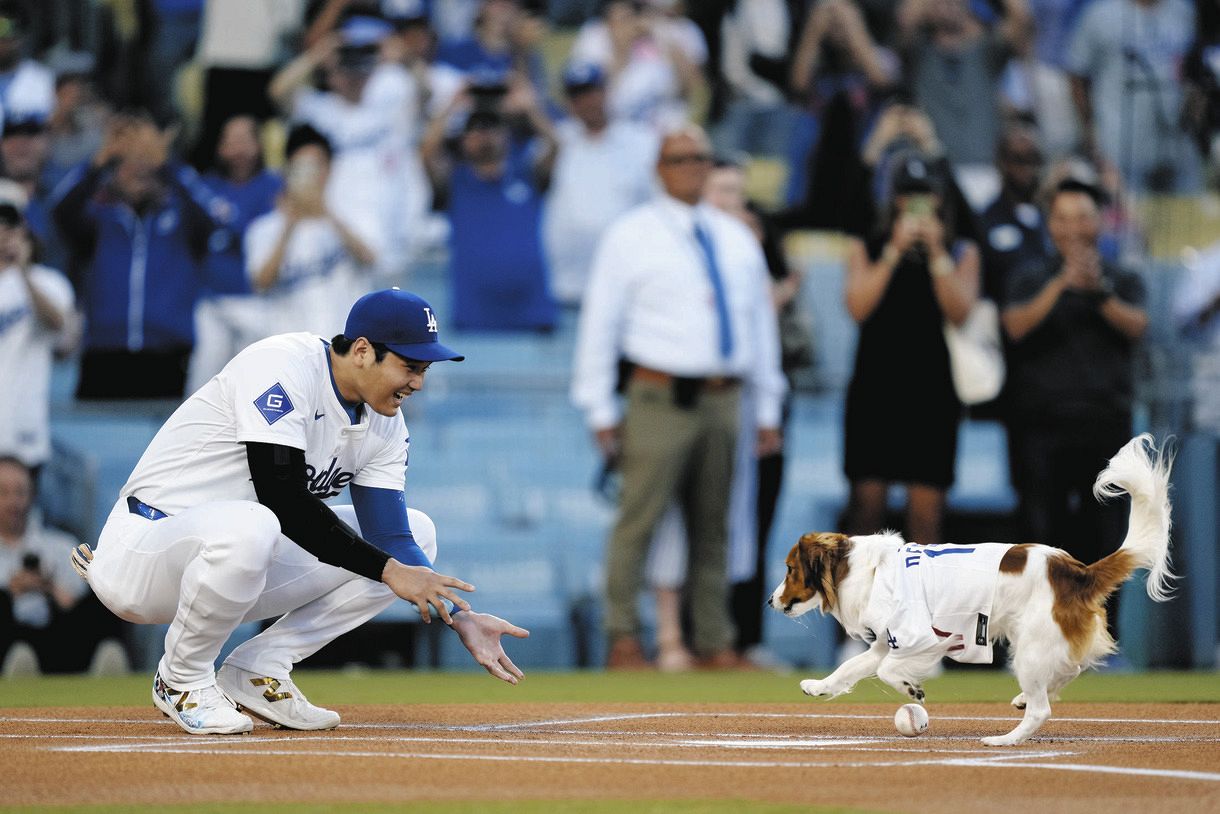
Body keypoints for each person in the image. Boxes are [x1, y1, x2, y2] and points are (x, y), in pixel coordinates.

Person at [74, 288, 529, 736]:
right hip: (145, 548)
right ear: (364, 351)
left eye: (425, 369)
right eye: (409, 366)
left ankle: (258, 668)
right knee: (259, 524)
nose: (418, 383)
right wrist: (390, 570)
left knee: (418, 533)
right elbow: (284, 498)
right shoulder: (282, 365)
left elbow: (390, 539)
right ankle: (182, 679)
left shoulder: (385, 424)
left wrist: (460, 616)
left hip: (234, 564)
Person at [571, 125, 786, 670]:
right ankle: (622, 634)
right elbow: (601, 324)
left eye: (701, 158)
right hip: (658, 392)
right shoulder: (630, 235)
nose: (693, 166)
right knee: (638, 518)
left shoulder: (735, 238)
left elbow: (759, 325)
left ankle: (714, 638)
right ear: (660, 168)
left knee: (715, 522)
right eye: (681, 158)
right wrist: (598, 406)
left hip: (723, 394)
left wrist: (767, 404)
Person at [1001, 179, 1148, 621]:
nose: (1074, 227)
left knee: (1107, 535)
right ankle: (1036, 631)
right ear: (1050, 225)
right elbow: (1015, 326)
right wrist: (1061, 283)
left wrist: (1097, 290)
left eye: (1083, 216)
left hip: (1105, 422)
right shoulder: (1029, 273)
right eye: (1063, 218)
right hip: (1040, 424)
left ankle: (1103, 638)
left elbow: (1138, 326)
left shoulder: (1121, 275)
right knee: (1040, 533)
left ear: (1099, 222)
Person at [841, 152, 980, 547]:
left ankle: (922, 608)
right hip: (875, 388)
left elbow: (960, 312)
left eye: (925, 195)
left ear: (941, 198)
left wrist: (936, 254)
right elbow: (857, 306)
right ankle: (856, 607)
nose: (916, 205)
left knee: (926, 518)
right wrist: (893, 250)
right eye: (907, 195)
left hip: (932, 393)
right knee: (865, 516)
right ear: (893, 199)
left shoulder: (960, 250)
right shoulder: (869, 243)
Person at [51, 113, 233, 400]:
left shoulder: (182, 219)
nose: (137, 168)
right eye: (127, 160)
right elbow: (59, 209)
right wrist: (99, 160)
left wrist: (168, 164)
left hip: (168, 356)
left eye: (145, 158)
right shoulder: (99, 219)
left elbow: (217, 217)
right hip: (103, 353)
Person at [421, 76, 558, 331]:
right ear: (463, 140)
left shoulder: (527, 175)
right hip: (474, 314)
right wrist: (452, 105)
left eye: (491, 127)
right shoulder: (455, 182)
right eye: (475, 129)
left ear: (505, 135)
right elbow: (427, 150)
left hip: (531, 312)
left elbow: (555, 144)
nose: (483, 135)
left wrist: (529, 107)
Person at [244, 124, 376, 338]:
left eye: (316, 167)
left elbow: (371, 258)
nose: (310, 176)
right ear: (287, 172)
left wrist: (328, 215)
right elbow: (261, 282)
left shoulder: (351, 214)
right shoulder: (265, 228)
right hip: (291, 349)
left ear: (330, 168)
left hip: (344, 345)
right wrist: (289, 226)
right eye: (301, 168)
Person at [544, 62, 657, 308]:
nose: (587, 101)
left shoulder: (642, 142)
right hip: (565, 285)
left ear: (606, 92)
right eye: (578, 95)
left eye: (592, 91)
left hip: (625, 288)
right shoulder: (558, 140)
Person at [186, 115, 283, 394]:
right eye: (231, 141)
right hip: (212, 300)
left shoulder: (274, 187)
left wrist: (224, 216)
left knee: (257, 387)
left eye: (245, 141)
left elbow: (252, 234)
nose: (237, 149)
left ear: (259, 145)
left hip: (258, 302)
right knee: (202, 386)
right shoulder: (207, 185)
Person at [0, 457, 121, 674]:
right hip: (7, 636)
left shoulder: (61, 545)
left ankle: (102, 659)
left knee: (101, 596)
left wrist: (49, 587)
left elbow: (78, 606)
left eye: (20, 492)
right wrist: (12, 591)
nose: (13, 502)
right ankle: (15, 664)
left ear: (32, 495)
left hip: (55, 640)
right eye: (3, 492)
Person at [1067, 0, 1200, 193]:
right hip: (1120, 142)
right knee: (1127, 219)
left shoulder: (1184, 11)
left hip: (1178, 144)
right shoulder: (1100, 13)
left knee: (1183, 215)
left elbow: (1195, 72)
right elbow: (1077, 74)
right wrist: (1088, 131)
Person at [0, 206, 73, 475]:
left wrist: (21, 270)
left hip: (24, 432)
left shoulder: (50, 282)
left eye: (12, 229)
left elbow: (56, 324)